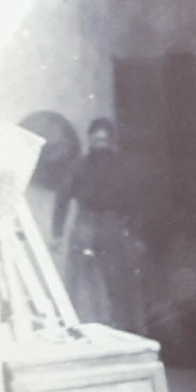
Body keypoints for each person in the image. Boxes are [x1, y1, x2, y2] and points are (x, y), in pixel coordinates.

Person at [52, 117, 149, 333]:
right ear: (90, 140)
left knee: (116, 278)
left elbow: (134, 202)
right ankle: (73, 325)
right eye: (96, 140)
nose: (100, 144)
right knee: (76, 278)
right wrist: (57, 233)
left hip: (112, 224)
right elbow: (62, 197)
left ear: (112, 141)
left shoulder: (123, 167)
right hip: (85, 222)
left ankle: (119, 327)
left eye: (104, 140)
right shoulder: (79, 166)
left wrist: (135, 234)